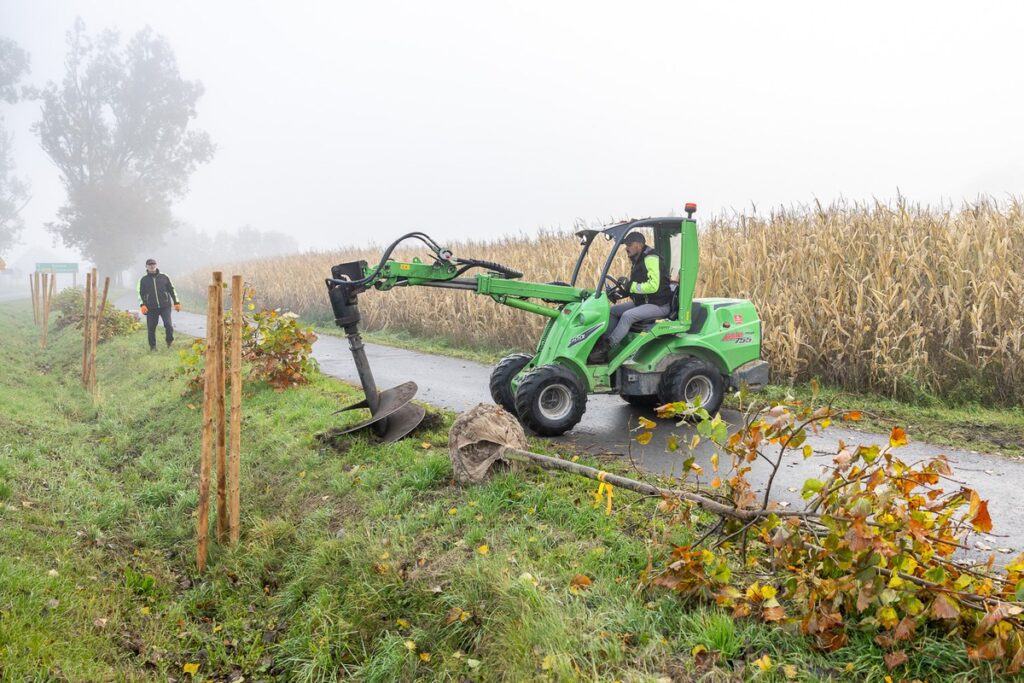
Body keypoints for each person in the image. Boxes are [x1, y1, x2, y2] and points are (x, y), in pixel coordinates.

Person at [591, 232, 672, 362]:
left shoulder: (650, 258)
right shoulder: (637, 260)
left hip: (659, 305)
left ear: (639, 245)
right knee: (612, 311)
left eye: (629, 245)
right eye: (625, 245)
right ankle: (603, 342)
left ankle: (607, 348)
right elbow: (637, 285)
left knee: (627, 316)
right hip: (644, 302)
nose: (626, 248)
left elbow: (653, 286)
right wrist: (622, 293)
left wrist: (631, 286)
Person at [137, 258, 181, 351]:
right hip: (150, 308)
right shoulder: (143, 280)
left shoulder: (164, 277)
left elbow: (172, 290)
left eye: (153, 264)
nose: (152, 266)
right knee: (151, 327)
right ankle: (152, 347)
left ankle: (169, 341)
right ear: (146, 267)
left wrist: (176, 302)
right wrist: (142, 305)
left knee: (168, 325)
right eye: (150, 264)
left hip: (165, 306)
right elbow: (140, 293)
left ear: (156, 265)